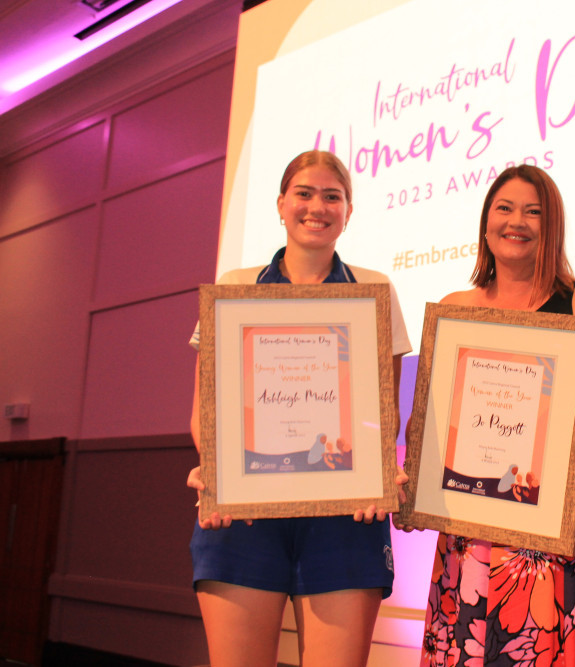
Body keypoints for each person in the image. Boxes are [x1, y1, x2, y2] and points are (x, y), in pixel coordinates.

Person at [186, 150, 412, 667]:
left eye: (333, 196)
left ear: (348, 211)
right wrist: (219, 471)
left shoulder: (374, 291)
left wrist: (377, 473)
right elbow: (204, 415)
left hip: (345, 517)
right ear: (282, 204)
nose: (318, 206)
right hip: (244, 516)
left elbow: (382, 416)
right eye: (305, 194)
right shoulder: (234, 288)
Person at [419, 165, 575, 666]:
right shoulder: (456, 310)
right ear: (486, 223)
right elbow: (436, 425)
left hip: (568, 521)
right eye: (505, 208)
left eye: (534, 211)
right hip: (475, 521)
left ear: (551, 225)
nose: (518, 221)